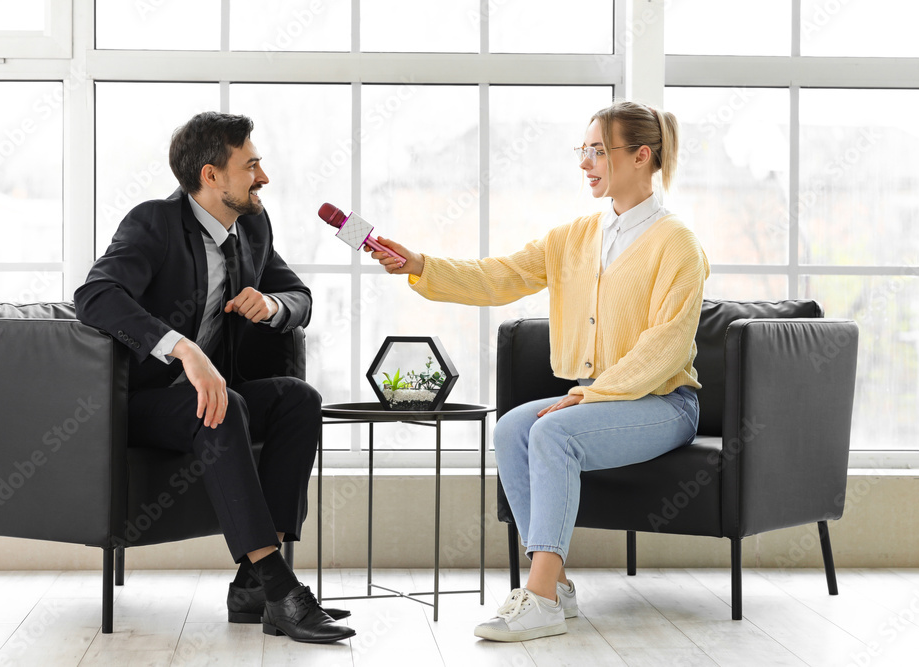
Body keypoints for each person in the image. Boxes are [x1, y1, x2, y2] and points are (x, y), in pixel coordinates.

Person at [367, 100, 708, 642]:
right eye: (584, 150)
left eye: (600, 150)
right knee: (510, 428)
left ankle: (541, 596)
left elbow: (667, 345)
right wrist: (420, 266)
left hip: (664, 403)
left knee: (551, 430)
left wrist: (593, 395)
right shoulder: (573, 237)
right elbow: (497, 276)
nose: (585, 162)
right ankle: (559, 586)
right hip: (601, 396)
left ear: (642, 156)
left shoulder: (678, 243)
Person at [74, 111, 355, 644]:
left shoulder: (251, 227)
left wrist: (270, 302)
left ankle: (254, 586)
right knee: (226, 402)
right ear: (211, 175)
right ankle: (281, 588)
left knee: (299, 399)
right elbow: (95, 296)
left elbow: (300, 299)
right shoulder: (153, 223)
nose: (263, 177)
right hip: (142, 402)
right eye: (251, 166)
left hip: (212, 393)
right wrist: (183, 351)